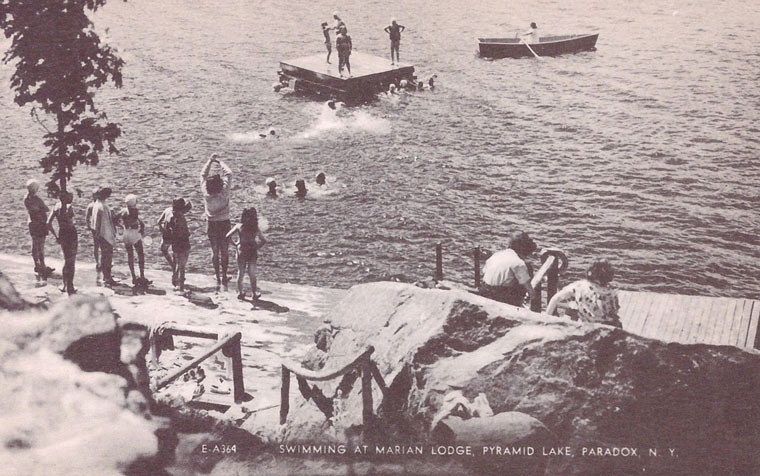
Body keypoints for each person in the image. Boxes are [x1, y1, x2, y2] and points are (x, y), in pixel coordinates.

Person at [546, 260, 622, 327]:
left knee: (573, 306)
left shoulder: (578, 286)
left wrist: (546, 319)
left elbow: (555, 299)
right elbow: (614, 311)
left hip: (589, 327)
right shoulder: (612, 292)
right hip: (609, 328)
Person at [200, 154, 233, 291]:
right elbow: (229, 173)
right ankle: (224, 276)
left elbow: (202, 175)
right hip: (224, 223)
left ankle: (217, 276)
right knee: (225, 251)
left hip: (211, 223)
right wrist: (219, 161)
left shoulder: (206, 193)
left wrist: (209, 160)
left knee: (214, 251)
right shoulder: (224, 192)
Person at [479, 231, 537, 306]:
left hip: (484, 291)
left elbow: (484, 272)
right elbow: (530, 290)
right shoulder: (518, 263)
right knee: (527, 270)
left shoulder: (496, 255)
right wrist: (533, 297)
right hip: (500, 297)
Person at [227, 207, 267, 301]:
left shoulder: (239, 226)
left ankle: (240, 293)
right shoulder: (255, 228)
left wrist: (235, 244)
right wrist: (257, 247)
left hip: (241, 250)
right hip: (252, 251)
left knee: (240, 272)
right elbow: (264, 240)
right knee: (252, 274)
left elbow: (227, 236)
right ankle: (254, 294)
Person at [47, 190, 77, 294]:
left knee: (66, 259)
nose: (72, 198)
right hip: (71, 233)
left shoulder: (56, 207)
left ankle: (65, 284)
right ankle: (70, 285)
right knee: (71, 261)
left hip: (62, 233)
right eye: (71, 196)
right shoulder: (69, 207)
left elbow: (48, 223)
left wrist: (56, 236)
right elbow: (71, 221)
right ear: (67, 197)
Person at [117, 194, 150, 287]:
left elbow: (115, 218)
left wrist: (120, 226)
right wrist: (142, 226)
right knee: (140, 254)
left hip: (126, 233)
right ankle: (142, 276)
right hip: (134, 234)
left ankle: (133, 277)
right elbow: (136, 220)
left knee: (130, 255)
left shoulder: (123, 211)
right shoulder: (135, 210)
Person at [24, 179, 53, 283]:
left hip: (32, 222)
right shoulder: (37, 199)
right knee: (41, 246)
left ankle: (37, 265)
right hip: (40, 223)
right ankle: (43, 266)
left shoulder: (26, 198)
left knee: (35, 244)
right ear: (35, 188)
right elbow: (46, 209)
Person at [92, 186, 118, 287]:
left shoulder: (97, 204)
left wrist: (96, 234)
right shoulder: (103, 206)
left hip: (101, 233)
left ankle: (106, 276)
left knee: (104, 256)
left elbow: (95, 222)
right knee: (108, 256)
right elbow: (99, 222)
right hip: (105, 234)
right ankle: (108, 277)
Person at [166, 198, 192, 292]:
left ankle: (175, 280)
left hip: (175, 243)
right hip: (183, 242)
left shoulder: (171, 216)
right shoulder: (181, 217)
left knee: (177, 262)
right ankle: (181, 288)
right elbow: (184, 232)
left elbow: (167, 229)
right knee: (182, 266)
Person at [84, 188, 101, 282]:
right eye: (95, 195)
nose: (97, 196)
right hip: (95, 228)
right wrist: (89, 226)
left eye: (98, 194)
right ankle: (98, 262)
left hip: (98, 227)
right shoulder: (91, 206)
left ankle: (100, 262)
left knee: (101, 245)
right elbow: (87, 217)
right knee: (96, 245)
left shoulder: (96, 205)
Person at [156, 204, 175, 279]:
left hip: (166, 235)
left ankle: (173, 266)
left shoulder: (167, 210)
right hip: (173, 235)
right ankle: (175, 271)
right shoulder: (177, 215)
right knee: (176, 254)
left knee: (164, 250)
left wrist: (161, 230)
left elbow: (158, 222)